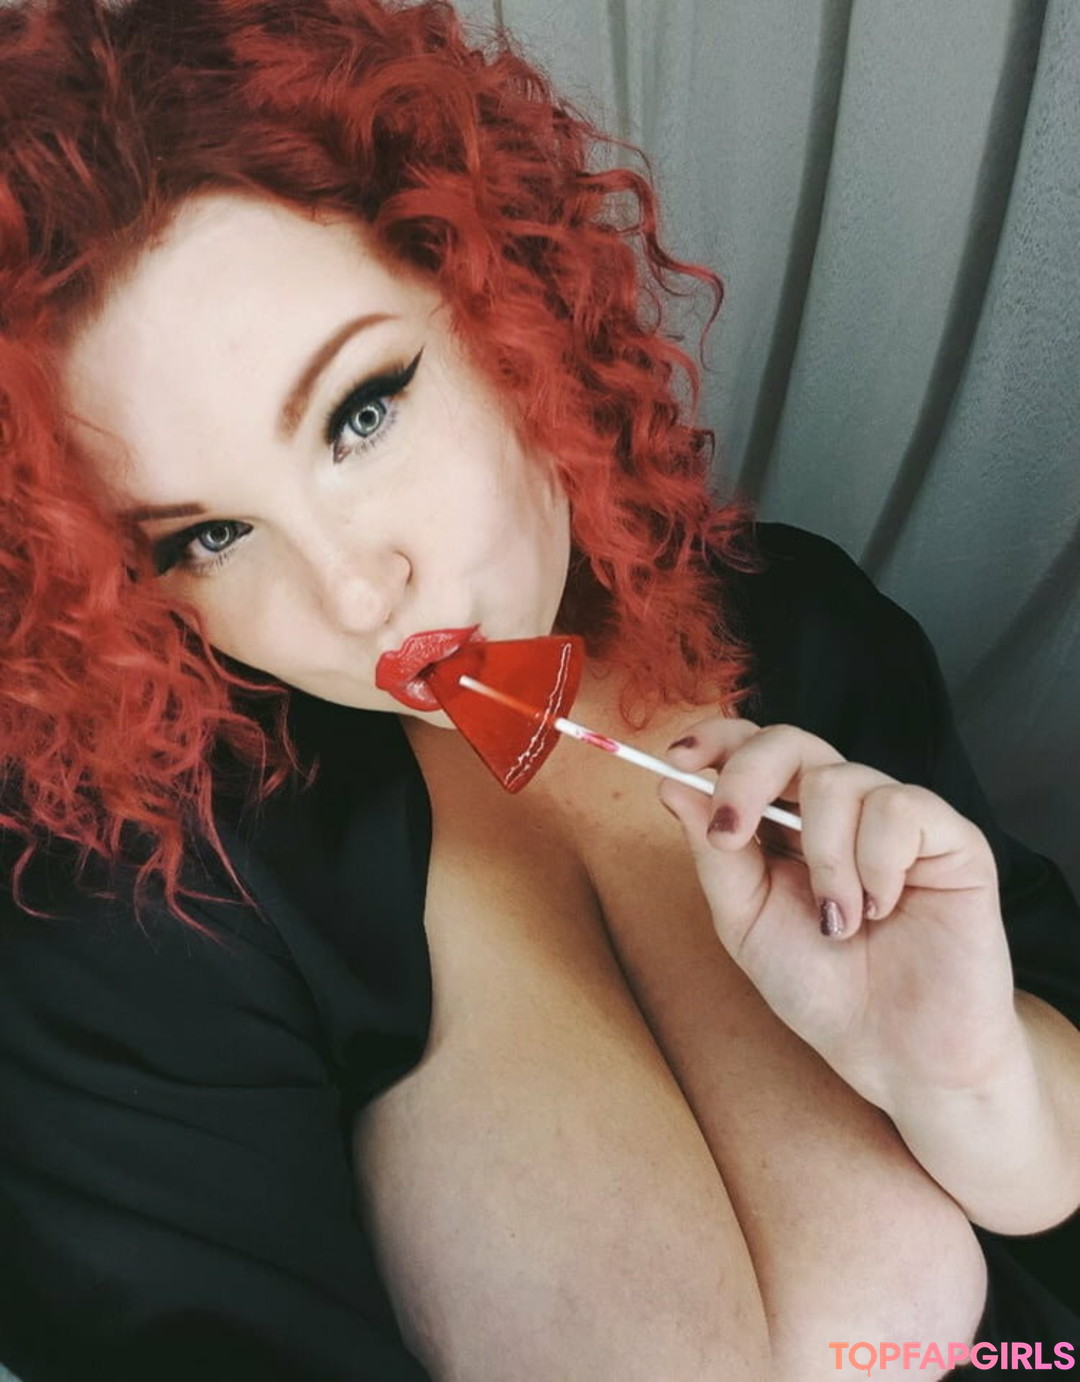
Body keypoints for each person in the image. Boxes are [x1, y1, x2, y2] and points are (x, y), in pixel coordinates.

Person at [0, 1, 1076, 1378]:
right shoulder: (140, 908)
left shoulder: (798, 627)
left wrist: (968, 1078)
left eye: (362, 413)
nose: (353, 593)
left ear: (503, 297)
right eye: (207, 536)